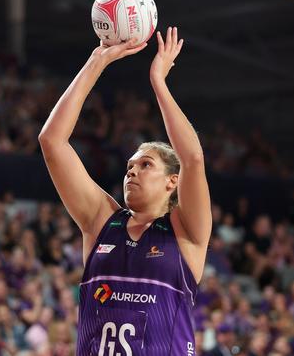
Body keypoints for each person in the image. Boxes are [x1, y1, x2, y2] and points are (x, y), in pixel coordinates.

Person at [38, 27, 211, 355]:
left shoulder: (186, 230)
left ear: (172, 181)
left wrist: (159, 82)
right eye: (130, 165)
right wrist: (96, 62)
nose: (132, 170)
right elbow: (51, 142)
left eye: (146, 165)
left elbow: (193, 157)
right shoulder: (100, 221)